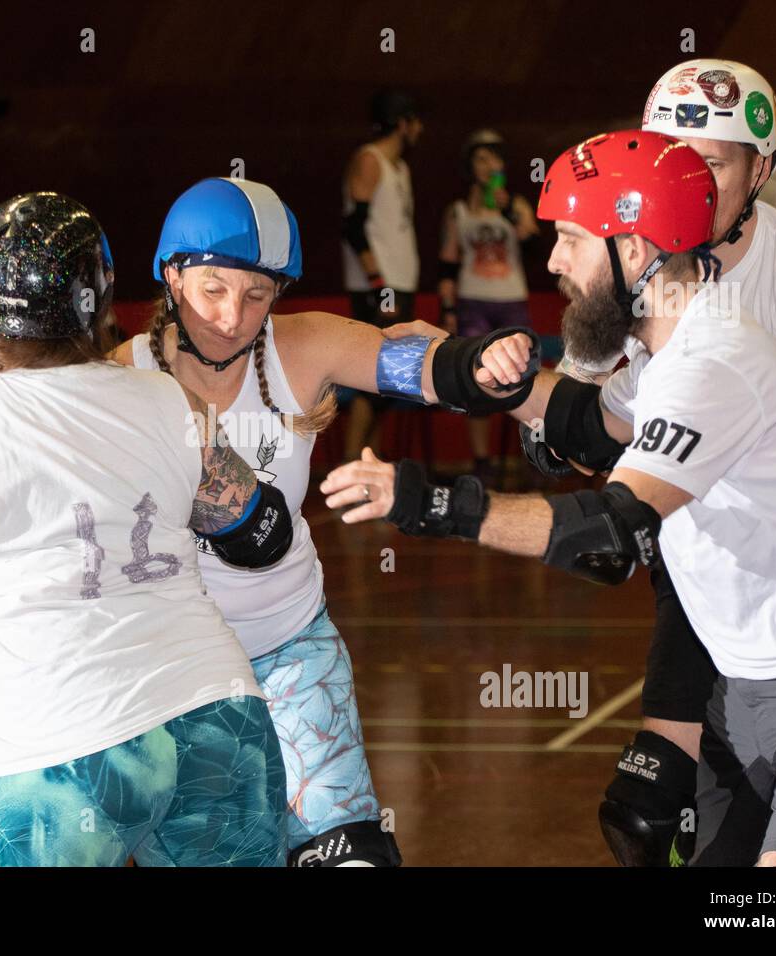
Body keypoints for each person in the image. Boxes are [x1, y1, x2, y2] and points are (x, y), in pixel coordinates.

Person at [327, 130, 776, 867]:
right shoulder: (671, 349)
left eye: (569, 239)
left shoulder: (713, 363)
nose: (553, 261)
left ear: (636, 247)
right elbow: (587, 425)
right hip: (741, 691)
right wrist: (451, 357)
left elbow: (608, 533)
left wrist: (427, 503)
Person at [0, 192, 294, 866]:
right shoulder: (163, 394)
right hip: (217, 715)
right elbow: (260, 531)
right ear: (97, 302)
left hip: (63, 745)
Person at [114, 176, 538, 864]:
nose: (232, 316)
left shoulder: (300, 346)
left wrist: (481, 363)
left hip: (289, 646)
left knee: (352, 856)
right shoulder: (121, 379)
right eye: (214, 290)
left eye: (257, 295)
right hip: (173, 672)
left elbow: (416, 365)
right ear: (171, 276)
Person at [534, 59, 776, 866]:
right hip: (710, 564)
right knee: (647, 810)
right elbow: (589, 410)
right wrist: (537, 403)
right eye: (675, 153)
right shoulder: (638, 260)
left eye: (715, 161)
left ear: (762, 170)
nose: (689, 175)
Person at [438, 129, 540, 479]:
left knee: (520, 378)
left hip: (511, 300)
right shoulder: (459, 210)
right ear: (471, 167)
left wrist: (507, 206)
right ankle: (482, 462)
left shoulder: (516, 205)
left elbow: (534, 240)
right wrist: (448, 310)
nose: (488, 165)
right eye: (480, 159)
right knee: (476, 379)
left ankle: (531, 451)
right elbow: (447, 264)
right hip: (473, 301)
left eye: (493, 158)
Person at [340, 89, 424, 462]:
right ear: (402, 123)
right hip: (379, 287)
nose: (420, 129)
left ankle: (364, 463)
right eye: (416, 121)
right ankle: (348, 463)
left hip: (398, 284)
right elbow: (353, 227)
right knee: (372, 379)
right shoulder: (370, 159)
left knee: (388, 382)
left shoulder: (400, 167)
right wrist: (379, 286)